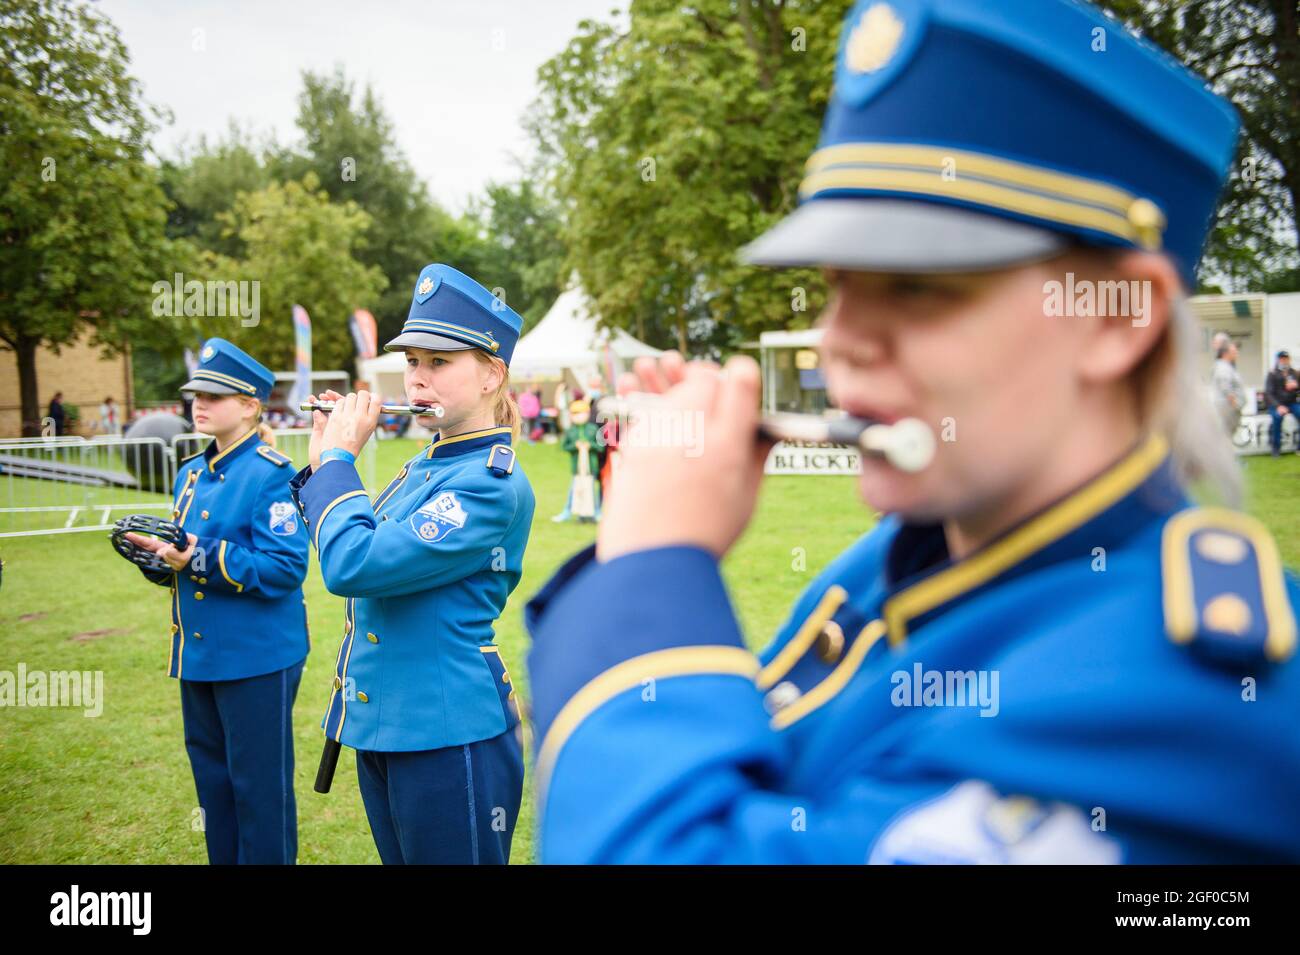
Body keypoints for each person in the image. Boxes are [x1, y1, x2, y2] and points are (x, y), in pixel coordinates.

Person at [523, 0, 1300, 863]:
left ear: (1117, 318)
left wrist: (652, 562)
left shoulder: (1182, 699)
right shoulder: (909, 563)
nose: (835, 341)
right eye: (837, 281)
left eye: (920, 285)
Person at [290, 263, 535, 864]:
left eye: (439, 362)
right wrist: (324, 460)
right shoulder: (429, 464)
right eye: (412, 363)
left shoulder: (487, 482)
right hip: (387, 727)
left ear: (491, 375)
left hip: (448, 734)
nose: (418, 379)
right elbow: (337, 541)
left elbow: (353, 563)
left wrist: (340, 465)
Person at [124, 338, 309, 864]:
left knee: (259, 793)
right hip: (199, 656)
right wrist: (160, 561)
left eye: (214, 395)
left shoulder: (272, 473)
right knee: (215, 788)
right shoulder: (188, 473)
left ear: (251, 405)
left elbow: (286, 568)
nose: (198, 404)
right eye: (195, 395)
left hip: (255, 659)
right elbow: (185, 565)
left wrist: (196, 556)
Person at [1264, 350, 1299, 456]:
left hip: (1291, 402)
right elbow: (1268, 393)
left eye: (1286, 358)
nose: (1284, 360)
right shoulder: (1272, 373)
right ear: (1278, 360)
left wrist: (1296, 386)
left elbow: (1298, 391)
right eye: (1282, 358)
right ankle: (1276, 448)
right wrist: (1278, 406)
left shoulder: (1294, 373)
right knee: (1277, 417)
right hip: (1277, 403)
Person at [1211, 339, 1248, 438]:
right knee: (1224, 436)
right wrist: (1235, 405)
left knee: (1227, 436)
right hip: (1227, 408)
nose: (1237, 353)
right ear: (1225, 354)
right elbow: (1226, 388)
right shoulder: (1223, 368)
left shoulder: (1228, 367)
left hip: (1229, 407)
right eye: (1234, 352)